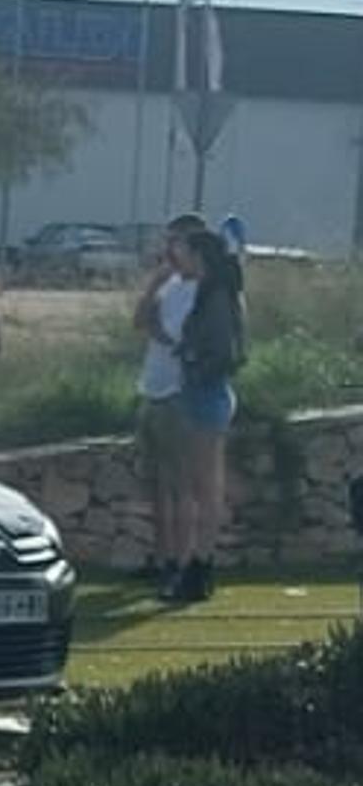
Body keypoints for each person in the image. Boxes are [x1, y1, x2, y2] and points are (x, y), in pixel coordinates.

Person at [164, 229, 246, 602]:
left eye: (184, 250)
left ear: (199, 255)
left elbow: (225, 351)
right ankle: (197, 564)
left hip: (206, 393)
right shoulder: (213, 292)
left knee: (204, 487)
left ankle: (200, 564)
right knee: (200, 484)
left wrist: (193, 361)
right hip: (201, 393)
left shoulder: (216, 296)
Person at [131, 212, 209, 587]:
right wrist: (151, 288)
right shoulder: (170, 284)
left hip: (178, 394)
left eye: (176, 242)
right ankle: (161, 557)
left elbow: (172, 338)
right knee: (157, 484)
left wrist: (152, 322)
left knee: (181, 485)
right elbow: (139, 320)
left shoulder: (201, 291)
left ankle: (182, 560)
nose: (169, 250)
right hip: (152, 388)